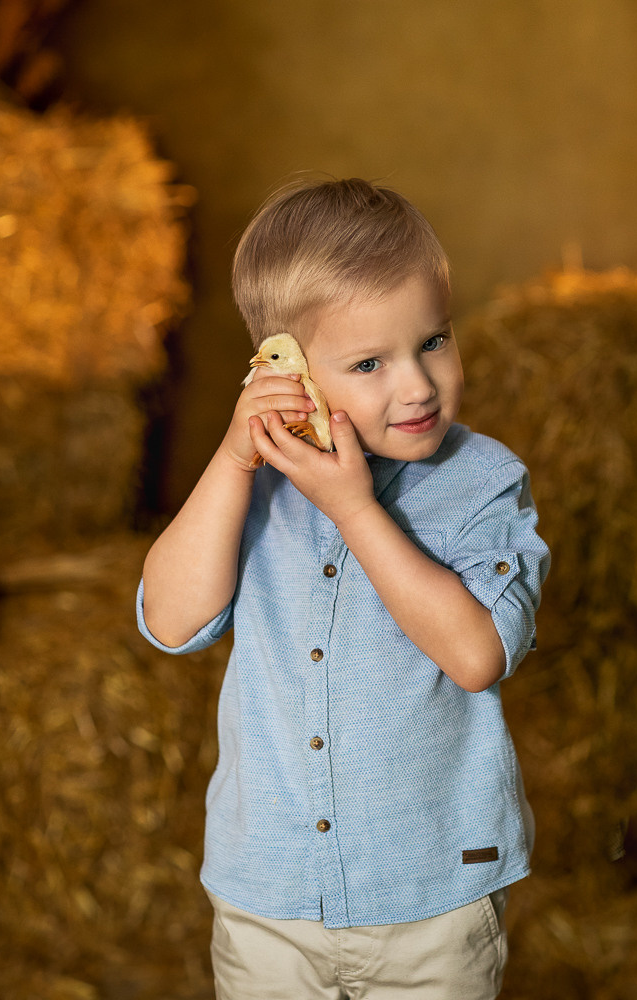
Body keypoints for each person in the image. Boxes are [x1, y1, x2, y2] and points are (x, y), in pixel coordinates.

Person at [137, 178, 550, 999]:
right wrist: (230, 460)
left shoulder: (483, 483)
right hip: (269, 902)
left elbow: (475, 656)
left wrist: (354, 508)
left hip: (431, 903)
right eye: (368, 362)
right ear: (285, 372)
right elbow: (170, 620)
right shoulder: (250, 484)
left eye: (432, 341)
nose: (417, 386)